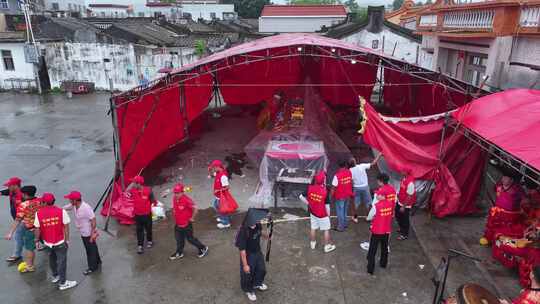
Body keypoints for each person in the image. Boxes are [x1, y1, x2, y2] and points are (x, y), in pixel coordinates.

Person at [34, 193, 77, 291]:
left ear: (45, 202)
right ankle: (63, 283)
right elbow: (66, 227)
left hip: (47, 242)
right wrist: (67, 240)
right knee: (62, 262)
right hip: (60, 241)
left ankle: (56, 276)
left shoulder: (38, 213)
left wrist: (36, 241)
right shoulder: (61, 211)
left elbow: (37, 228)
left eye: (42, 201)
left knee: (52, 259)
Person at [62, 191, 101, 275]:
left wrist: (92, 234)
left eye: (70, 199)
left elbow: (93, 220)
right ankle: (98, 261)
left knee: (89, 250)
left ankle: (92, 267)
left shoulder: (85, 208)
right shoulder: (75, 205)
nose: (69, 201)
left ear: (75, 200)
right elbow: (67, 207)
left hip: (88, 232)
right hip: (83, 231)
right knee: (93, 247)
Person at [235, 208, 270, 302]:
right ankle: (248, 290)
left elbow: (261, 233)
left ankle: (257, 283)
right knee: (247, 274)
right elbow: (242, 251)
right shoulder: (243, 231)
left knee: (262, 269)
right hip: (248, 255)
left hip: (257, 252)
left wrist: (266, 233)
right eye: (257, 219)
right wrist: (245, 265)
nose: (259, 220)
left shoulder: (257, 224)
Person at [481, 174, 525, 245]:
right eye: (503, 177)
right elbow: (495, 190)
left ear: (512, 180)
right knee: (492, 225)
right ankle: (488, 238)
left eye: (506, 178)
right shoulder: (499, 185)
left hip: (509, 215)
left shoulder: (517, 189)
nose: (503, 179)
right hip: (497, 212)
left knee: (505, 229)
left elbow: (523, 200)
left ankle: (500, 242)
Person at [366, 173, 396, 275]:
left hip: (376, 230)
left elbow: (369, 217)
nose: (377, 195)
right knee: (384, 247)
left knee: (372, 250)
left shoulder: (376, 206)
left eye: (378, 194)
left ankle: (370, 269)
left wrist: (372, 217)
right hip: (387, 229)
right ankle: (383, 263)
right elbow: (393, 208)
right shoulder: (390, 203)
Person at [169, 183, 209, 260]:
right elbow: (175, 208)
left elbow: (196, 209)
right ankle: (179, 252)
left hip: (186, 225)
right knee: (179, 239)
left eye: (178, 193)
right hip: (178, 224)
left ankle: (203, 248)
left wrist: (192, 218)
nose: (176, 194)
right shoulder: (174, 198)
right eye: (175, 193)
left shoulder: (186, 200)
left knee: (190, 239)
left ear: (182, 192)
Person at [5, 185, 40, 272]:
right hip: (41, 226)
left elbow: (17, 220)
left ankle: (30, 266)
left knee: (29, 249)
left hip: (31, 229)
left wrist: (10, 233)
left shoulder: (23, 205)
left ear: (25, 194)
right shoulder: (40, 201)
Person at [299, 171, 336, 253]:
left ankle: (312, 243)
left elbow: (301, 196)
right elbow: (327, 206)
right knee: (326, 230)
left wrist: (308, 203)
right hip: (322, 214)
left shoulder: (310, 188)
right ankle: (327, 246)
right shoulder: (325, 191)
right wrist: (329, 215)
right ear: (323, 180)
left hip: (313, 212)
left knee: (313, 227)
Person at [126, 175, 157, 254]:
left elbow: (153, 200)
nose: (133, 184)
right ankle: (140, 246)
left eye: (134, 183)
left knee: (148, 228)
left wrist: (154, 203)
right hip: (137, 215)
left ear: (139, 184)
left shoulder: (148, 190)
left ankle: (149, 241)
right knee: (139, 230)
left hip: (147, 214)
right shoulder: (133, 191)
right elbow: (126, 191)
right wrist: (132, 184)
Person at [349, 154, 381, 222]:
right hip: (365, 187)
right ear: (355, 162)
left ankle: (355, 218)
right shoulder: (362, 166)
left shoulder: (350, 170)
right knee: (368, 203)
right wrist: (379, 155)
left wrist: (351, 189)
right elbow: (373, 163)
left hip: (356, 188)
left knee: (355, 203)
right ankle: (368, 217)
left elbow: (351, 181)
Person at [2, 177, 24, 262]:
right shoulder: (12, 191)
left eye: (9, 185)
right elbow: (6, 192)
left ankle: (16, 255)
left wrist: (11, 232)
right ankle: (47, 243)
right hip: (18, 218)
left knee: (17, 236)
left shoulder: (22, 195)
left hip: (22, 219)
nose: (8, 187)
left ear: (15, 186)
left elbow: (22, 213)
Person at [331, 161, 353, 232]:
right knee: (345, 210)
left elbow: (333, 188)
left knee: (340, 211)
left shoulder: (337, 176)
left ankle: (340, 227)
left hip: (340, 196)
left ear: (339, 166)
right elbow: (351, 182)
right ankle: (345, 224)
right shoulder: (349, 172)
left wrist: (330, 197)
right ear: (345, 165)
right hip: (348, 194)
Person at [209, 160, 232, 229]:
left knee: (222, 209)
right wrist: (210, 171)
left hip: (221, 197)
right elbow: (212, 175)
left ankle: (226, 223)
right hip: (218, 196)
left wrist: (218, 190)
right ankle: (223, 217)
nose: (213, 169)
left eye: (214, 167)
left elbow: (227, 187)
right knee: (216, 206)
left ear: (218, 167)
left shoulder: (223, 176)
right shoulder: (218, 172)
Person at [396, 169, 416, 240]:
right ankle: (401, 228)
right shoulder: (404, 178)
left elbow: (409, 196)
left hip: (405, 205)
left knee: (405, 219)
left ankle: (404, 234)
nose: (400, 171)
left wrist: (403, 207)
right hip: (400, 201)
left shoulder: (410, 183)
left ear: (406, 172)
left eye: (402, 171)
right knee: (398, 216)